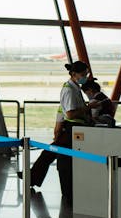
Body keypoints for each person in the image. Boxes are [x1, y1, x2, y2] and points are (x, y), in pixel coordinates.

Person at [26, 60, 91, 202]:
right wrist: (87, 108)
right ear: (74, 74)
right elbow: (69, 114)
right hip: (72, 129)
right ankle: (31, 178)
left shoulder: (74, 88)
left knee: (50, 153)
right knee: (51, 153)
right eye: (83, 74)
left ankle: (31, 177)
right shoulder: (69, 90)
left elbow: (62, 110)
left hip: (74, 128)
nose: (85, 76)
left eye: (86, 74)